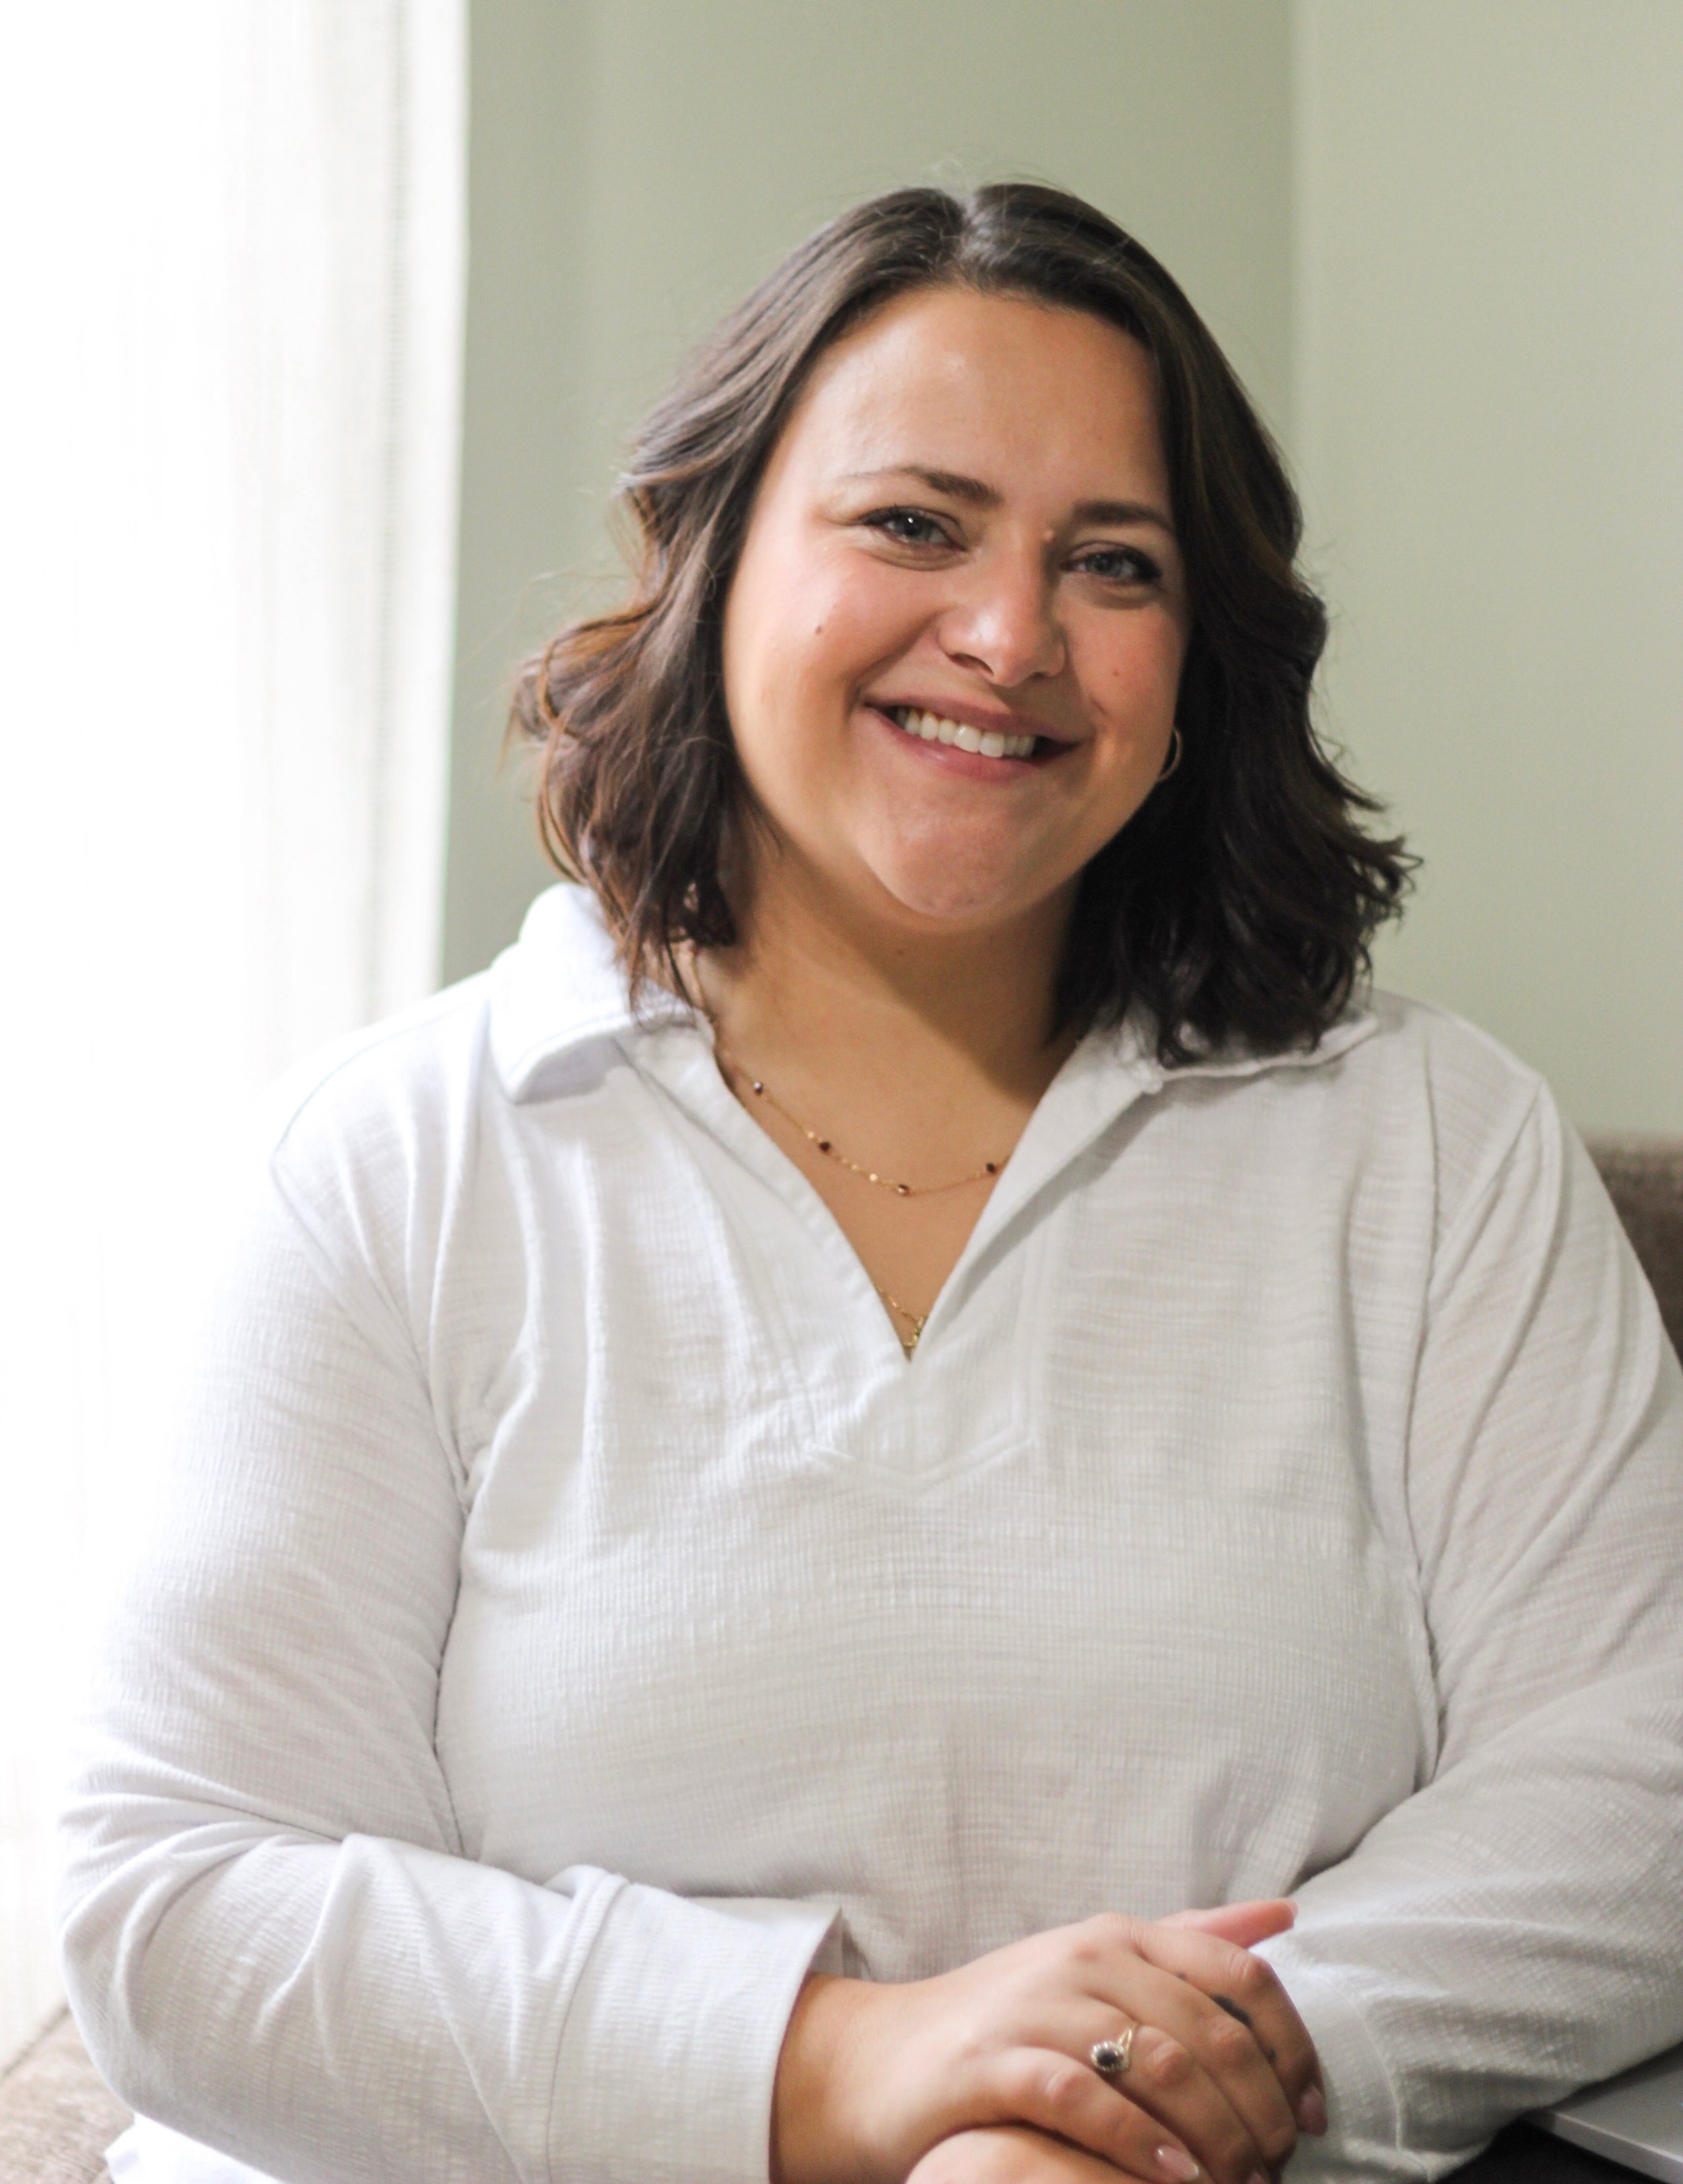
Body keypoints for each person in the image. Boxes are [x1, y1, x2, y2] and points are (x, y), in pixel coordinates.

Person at [59, 184, 1683, 2184]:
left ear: (1198, 663)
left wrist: (1135, 2105)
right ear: (713, 560)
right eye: (913, 524)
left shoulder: (1434, 1144)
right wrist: (835, 2068)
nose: (1007, 636)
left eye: (1110, 561)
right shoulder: (391, 1160)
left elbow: (1638, 1783)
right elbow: (182, 1897)